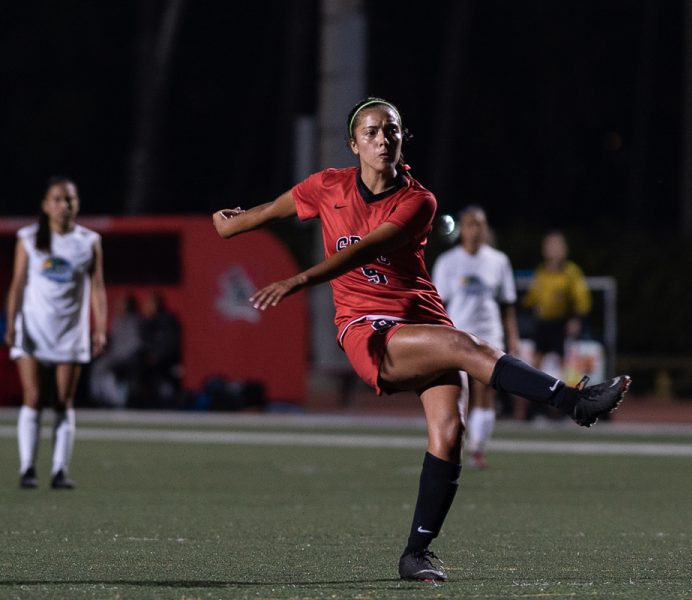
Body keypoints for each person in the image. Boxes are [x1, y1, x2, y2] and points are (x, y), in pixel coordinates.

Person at [211, 97, 630, 583]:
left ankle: (416, 553)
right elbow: (274, 208)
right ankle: (573, 402)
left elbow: (363, 249)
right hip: (366, 327)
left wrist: (298, 280)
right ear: (353, 144)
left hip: (421, 321)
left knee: (450, 433)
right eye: (371, 132)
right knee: (464, 347)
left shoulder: (418, 200)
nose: (382, 139)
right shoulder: (327, 186)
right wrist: (231, 225)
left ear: (402, 138)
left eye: (390, 130)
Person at [4, 176, 108, 489]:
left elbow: (98, 288)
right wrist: (10, 322)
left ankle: (60, 470)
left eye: (70, 200)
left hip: (70, 330)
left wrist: (100, 328)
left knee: (63, 399)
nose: (65, 205)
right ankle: (27, 469)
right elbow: (18, 284)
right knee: (33, 396)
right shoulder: (29, 237)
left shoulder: (89, 241)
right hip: (34, 327)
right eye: (59, 199)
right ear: (46, 205)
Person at [432, 205, 519, 469]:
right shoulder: (447, 262)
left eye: (479, 224)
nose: (475, 229)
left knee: (485, 389)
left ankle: (478, 447)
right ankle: (456, 442)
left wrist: (512, 338)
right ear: (461, 229)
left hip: (489, 334)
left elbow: (507, 304)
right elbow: (438, 304)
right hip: (458, 334)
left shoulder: (498, 260)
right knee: (460, 392)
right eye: (470, 224)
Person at [521, 231, 592, 419]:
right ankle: (533, 407)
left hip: (561, 324)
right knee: (535, 366)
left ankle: (567, 405)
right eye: (550, 246)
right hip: (542, 324)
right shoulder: (542, 271)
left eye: (557, 246)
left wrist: (576, 319)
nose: (553, 250)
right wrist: (529, 302)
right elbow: (533, 296)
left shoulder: (571, 272)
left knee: (565, 366)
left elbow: (581, 298)